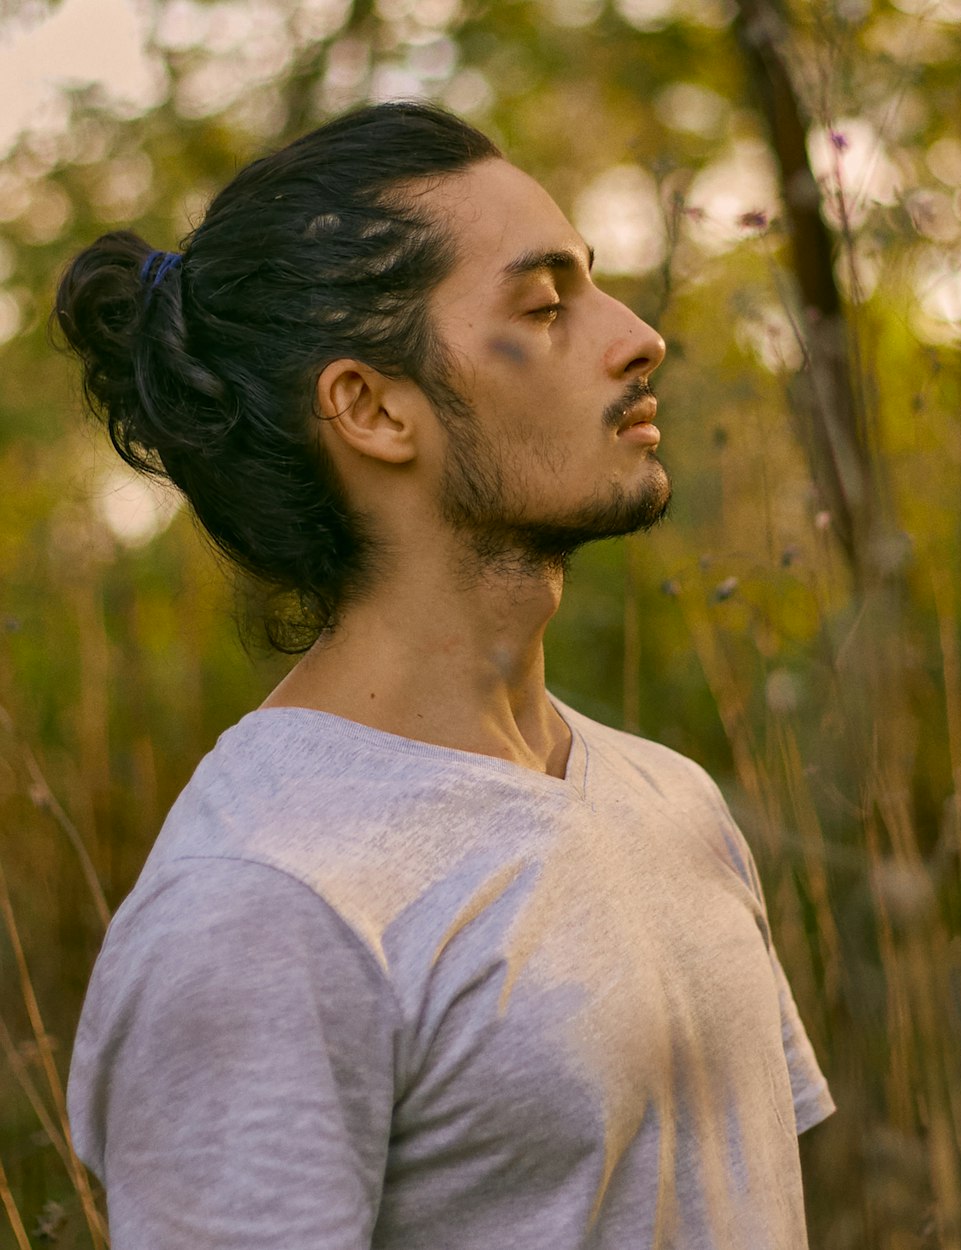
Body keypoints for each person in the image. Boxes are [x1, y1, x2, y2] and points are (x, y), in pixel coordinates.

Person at [57, 101, 834, 1249]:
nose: (636, 335)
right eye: (543, 306)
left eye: (597, 285)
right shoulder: (262, 906)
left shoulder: (671, 799)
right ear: (371, 408)